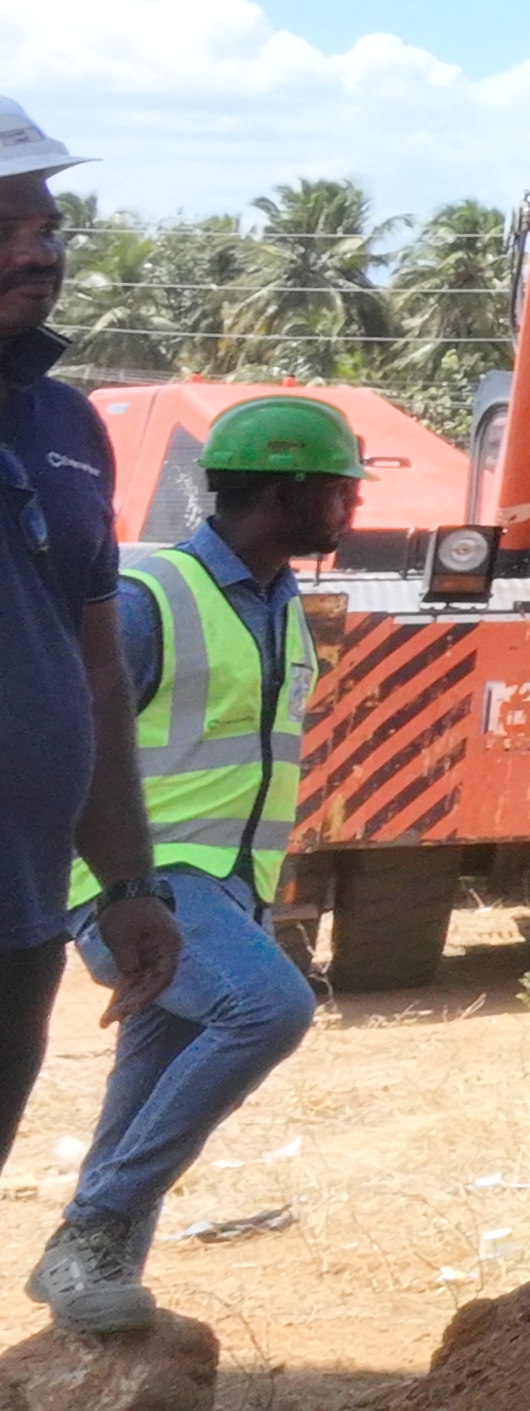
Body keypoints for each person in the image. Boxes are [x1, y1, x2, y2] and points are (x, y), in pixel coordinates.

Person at [30, 398, 362, 1331]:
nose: (352, 506)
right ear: (286, 491)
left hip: (230, 890)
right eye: (340, 487)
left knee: (144, 1090)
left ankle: (90, 1290)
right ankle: (91, 1228)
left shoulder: (281, 603)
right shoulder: (154, 599)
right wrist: (115, 886)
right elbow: (74, 739)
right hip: (140, 887)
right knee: (267, 1008)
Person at [0, 103, 177, 1186]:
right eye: (3, 221)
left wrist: (127, 882)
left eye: (48, 223)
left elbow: (96, 672)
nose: (38, 247)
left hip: (18, 907)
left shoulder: (69, 428)